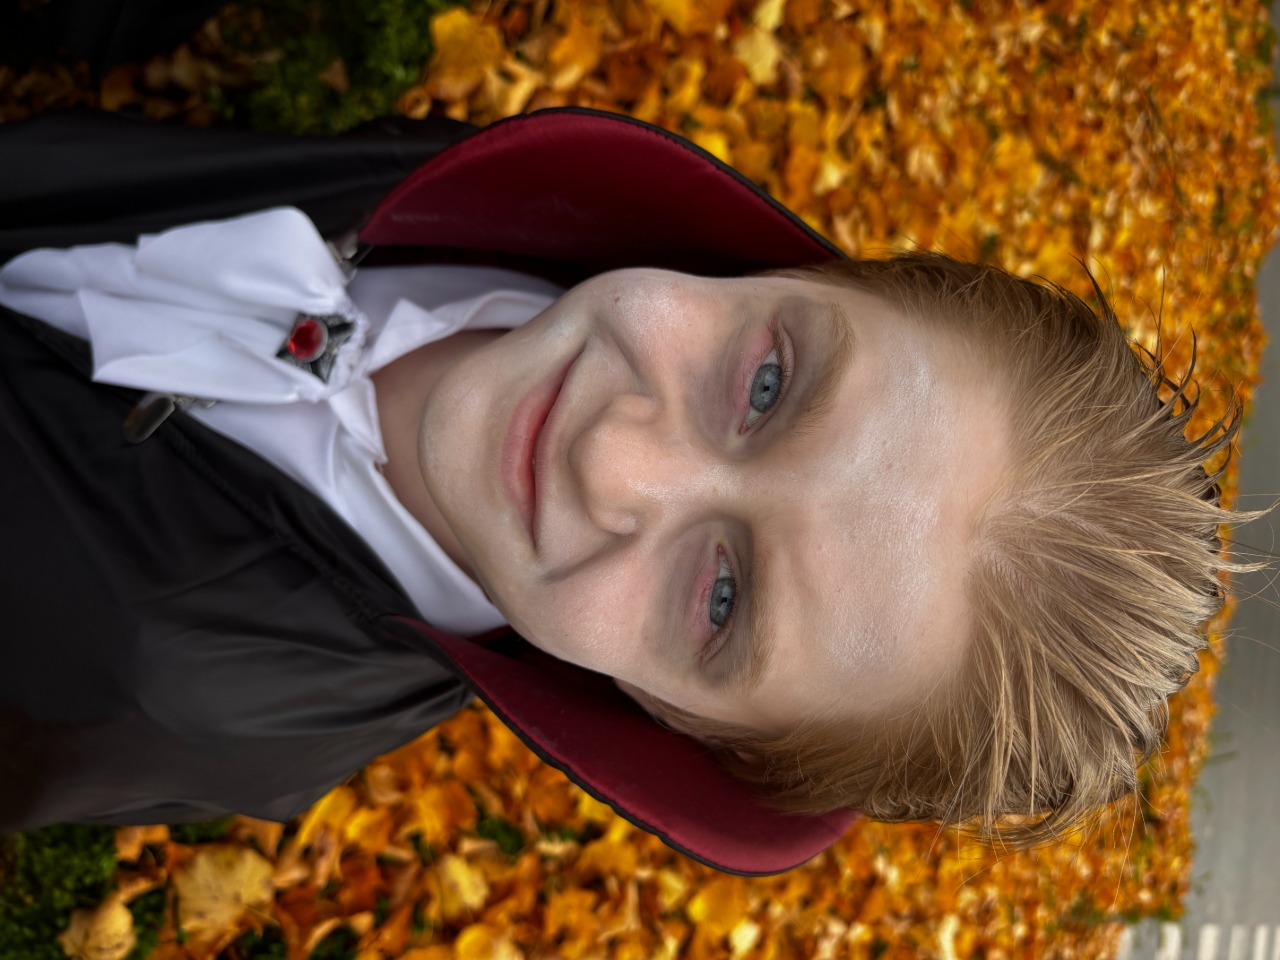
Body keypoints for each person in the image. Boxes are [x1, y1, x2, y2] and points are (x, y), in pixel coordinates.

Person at [0, 105, 1250, 874]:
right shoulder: (484, 205)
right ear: (811, 275)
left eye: (720, 599)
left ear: (683, 724)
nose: (612, 459)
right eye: (766, 386)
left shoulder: (157, 691)